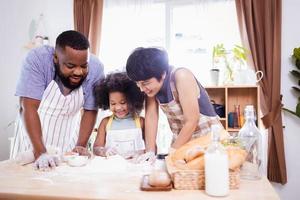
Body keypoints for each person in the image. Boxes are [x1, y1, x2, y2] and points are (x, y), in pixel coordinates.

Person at [11, 30, 104, 170]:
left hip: (68, 136)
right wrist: (40, 153)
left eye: (84, 66)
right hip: (31, 138)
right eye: (71, 66)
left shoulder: (96, 68)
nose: (78, 72)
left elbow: (90, 110)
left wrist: (80, 146)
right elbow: (28, 107)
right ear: (55, 58)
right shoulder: (38, 60)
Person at [126, 47, 224, 163]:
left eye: (145, 83)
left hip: (209, 141)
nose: (142, 89)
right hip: (183, 142)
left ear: (162, 74)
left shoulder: (181, 76)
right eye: (138, 83)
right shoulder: (150, 89)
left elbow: (192, 120)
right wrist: (150, 151)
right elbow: (151, 117)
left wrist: (172, 152)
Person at [93, 72, 145, 159]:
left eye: (123, 102)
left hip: (136, 169)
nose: (118, 107)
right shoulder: (105, 122)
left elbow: (152, 148)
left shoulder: (141, 121)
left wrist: (140, 152)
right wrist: (104, 151)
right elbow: (96, 148)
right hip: (113, 169)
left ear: (132, 100)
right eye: (113, 103)